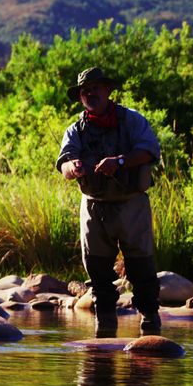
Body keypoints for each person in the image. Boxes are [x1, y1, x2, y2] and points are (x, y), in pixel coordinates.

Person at [56, 67, 162, 335]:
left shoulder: (133, 121)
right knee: (98, 274)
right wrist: (73, 166)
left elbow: (150, 151)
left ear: (108, 91)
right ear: (81, 97)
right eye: (85, 90)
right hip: (93, 207)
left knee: (141, 269)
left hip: (132, 205)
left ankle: (150, 324)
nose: (90, 93)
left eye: (95, 88)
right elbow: (64, 164)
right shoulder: (75, 130)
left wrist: (121, 161)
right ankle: (104, 328)